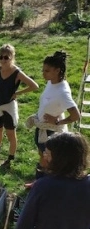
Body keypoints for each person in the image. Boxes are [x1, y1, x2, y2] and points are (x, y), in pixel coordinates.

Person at [25, 51, 80, 187]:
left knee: (49, 161)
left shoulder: (63, 92)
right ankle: (39, 183)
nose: (43, 73)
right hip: (42, 128)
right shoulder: (52, 82)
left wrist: (57, 121)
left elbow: (75, 116)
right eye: (43, 70)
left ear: (57, 70)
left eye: (47, 71)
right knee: (42, 157)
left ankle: (45, 186)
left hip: (51, 133)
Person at [0, 43, 39, 168]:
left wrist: (17, 93)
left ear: (12, 57)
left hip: (8, 107)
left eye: (6, 57)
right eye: (0, 57)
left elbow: (34, 86)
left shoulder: (17, 73)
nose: (3, 60)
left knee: (11, 133)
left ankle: (10, 158)